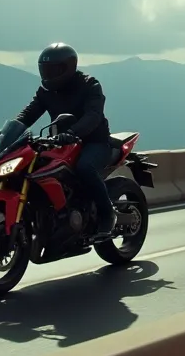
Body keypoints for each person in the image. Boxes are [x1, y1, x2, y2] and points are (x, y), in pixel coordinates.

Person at [14, 42, 117, 237]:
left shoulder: (89, 85)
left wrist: (73, 132)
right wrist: (8, 131)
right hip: (61, 142)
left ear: (68, 67)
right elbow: (29, 113)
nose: (48, 75)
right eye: (45, 69)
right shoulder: (46, 91)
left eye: (53, 70)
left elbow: (93, 116)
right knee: (35, 169)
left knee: (84, 168)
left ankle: (107, 214)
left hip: (94, 141)